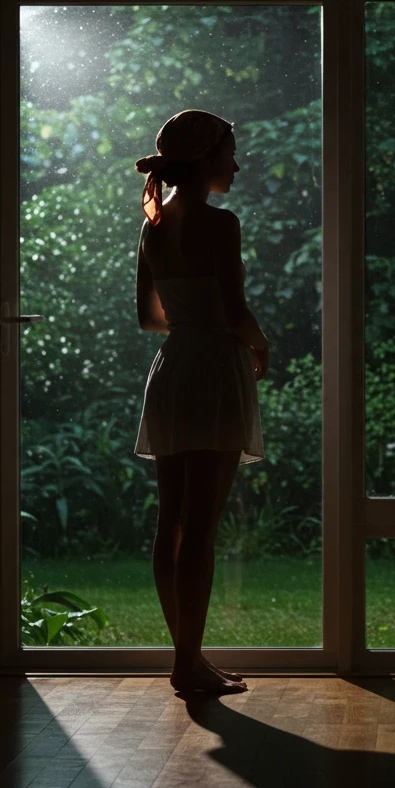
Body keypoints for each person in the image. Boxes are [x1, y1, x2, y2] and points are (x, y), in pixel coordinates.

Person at [133, 109, 269, 695]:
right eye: (229, 153)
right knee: (203, 527)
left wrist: (190, 322)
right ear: (206, 159)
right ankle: (188, 662)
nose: (235, 165)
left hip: (172, 370)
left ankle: (185, 657)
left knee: (172, 523)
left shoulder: (153, 227)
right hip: (213, 371)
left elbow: (147, 318)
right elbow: (235, 311)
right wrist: (259, 344)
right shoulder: (222, 224)